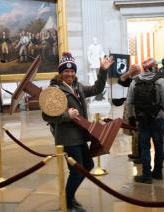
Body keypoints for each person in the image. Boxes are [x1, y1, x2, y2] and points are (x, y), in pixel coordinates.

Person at [42, 52, 113, 212]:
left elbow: (97, 88)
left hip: (81, 135)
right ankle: (67, 202)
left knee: (88, 165)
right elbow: (46, 116)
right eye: (66, 71)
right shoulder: (54, 90)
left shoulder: (77, 86)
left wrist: (103, 70)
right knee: (77, 170)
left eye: (72, 70)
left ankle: (69, 198)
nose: (70, 73)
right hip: (67, 138)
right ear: (61, 72)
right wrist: (67, 115)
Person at [126, 58, 164, 184]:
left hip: (142, 119)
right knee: (159, 146)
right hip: (157, 118)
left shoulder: (135, 81)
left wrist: (131, 118)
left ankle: (146, 175)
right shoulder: (160, 81)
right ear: (154, 67)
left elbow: (129, 102)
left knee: (144, 147)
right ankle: (158, 172)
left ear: (144, 68)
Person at [118, 64, 142, 163]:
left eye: (131, 69)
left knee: (138, 133)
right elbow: (121, 80)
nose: (128, 71)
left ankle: (139, 155)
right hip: (131, 109)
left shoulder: (140, 79)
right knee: (134, 132)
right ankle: (135, 153)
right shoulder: (132, 79)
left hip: (137, 110)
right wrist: (129, 73)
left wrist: (130, 72)